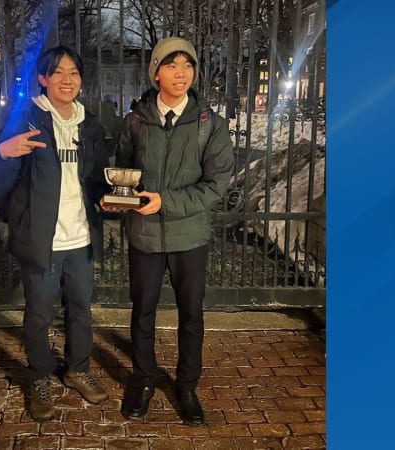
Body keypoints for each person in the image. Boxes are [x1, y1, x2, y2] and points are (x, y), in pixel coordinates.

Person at [103, 36, 234, 426]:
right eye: (172, 65)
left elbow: (216, 184)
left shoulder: (210, 125)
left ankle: (187, 385)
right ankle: (143, 379)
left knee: (191, 314)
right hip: (144, 234)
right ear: (156, 73)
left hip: (189, 236)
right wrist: (119, 199)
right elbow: (124, 170)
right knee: (142, 311)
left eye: (188, 65)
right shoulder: (136, 121)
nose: (182, 73)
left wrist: (167, 202)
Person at [0, 45, 112, 422]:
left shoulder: (90, 125)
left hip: (80, 237)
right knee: (38, 314)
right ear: (43, 78)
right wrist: (3, 153)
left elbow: (96, 179)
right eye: (58, 72)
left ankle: (77, 369)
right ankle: (39, 376)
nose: (67, 80)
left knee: (80, 309)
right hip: (42, 239)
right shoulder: (25, 120)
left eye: (74, 73)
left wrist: (106, 198)